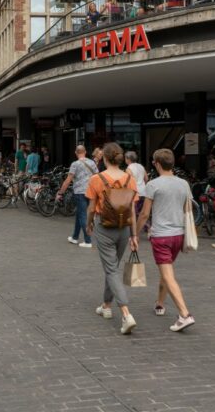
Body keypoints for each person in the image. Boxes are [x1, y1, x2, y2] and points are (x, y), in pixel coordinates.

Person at [136, 148, 195, 332]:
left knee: (168, 275)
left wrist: (135, 234)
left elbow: (145, 213)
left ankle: (184, 315)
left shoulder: (153, 185)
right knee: (166, 270)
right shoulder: (184, 184)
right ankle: (160, 303)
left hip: (161, 235)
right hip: (179, 235)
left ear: (157, 164)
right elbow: (188, 209)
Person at [85, 142, 138, 335]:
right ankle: (106, 305)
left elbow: (91, 207)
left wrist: (89, 223)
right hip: (123, 228)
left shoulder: (96, 179)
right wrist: (134, 234)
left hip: (104, 227)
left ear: (104, 158)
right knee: (112, 267)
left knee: (111, 268)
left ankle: (126, 313)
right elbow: (132, 208)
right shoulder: (129, 179)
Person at [58, 145, 98, 248]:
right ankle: (75, 237)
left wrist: (60, 192)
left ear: (76, 153)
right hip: (91, 192)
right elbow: (97, 176)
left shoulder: (75, 164)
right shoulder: (92, 163)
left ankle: (88, 241)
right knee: (80, 214)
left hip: (80, 192)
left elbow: (68, 180)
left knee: (82, 215)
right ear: (85, 152)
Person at [125, 151, 148, 217]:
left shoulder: (128, 169)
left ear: (128, 159)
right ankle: (142, 227)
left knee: (134, 214)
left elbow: (130, 182)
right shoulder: (141, 166)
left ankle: (135, 227)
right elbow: (146, 178)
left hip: (135, 194)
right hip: (143, 192)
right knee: (141, 213)